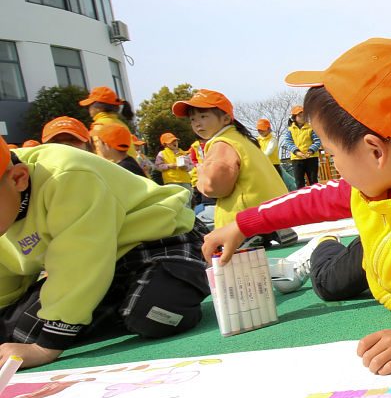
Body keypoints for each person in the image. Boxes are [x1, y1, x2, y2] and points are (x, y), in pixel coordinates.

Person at [202, 38, 391, 375]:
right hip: (381, 249)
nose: (334, 164)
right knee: (328, 285)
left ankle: (326, 245)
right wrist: (242, 224)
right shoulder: (376, 179)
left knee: (329, 284)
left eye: (331, 154)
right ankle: (323, 246)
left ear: (375, 151)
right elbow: (313, 200)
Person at [0, 135, 209, 368]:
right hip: (96, 266)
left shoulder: (65, 174)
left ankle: (180, 284)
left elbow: (80, 261)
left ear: (18, 178)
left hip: (159, 240)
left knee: (153, 314)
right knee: (13, 335)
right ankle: (105, 302)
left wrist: (46, 346)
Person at [172, 90, 293, 246]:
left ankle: (250, 233)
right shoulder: (242, 139)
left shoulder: (222, 144)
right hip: (272, 207)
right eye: (192, 119)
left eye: (203, 116)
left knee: (201, 219)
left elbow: (215, 188)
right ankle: (269, 229)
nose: (197, 123)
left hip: (245, 216)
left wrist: (201, 173)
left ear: (226, 119)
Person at [78, 85, 153, 174]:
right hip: (131, 170)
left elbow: (101, 157)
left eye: (90, 105)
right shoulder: (121, 124)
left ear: (99, 108)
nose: (89, 109)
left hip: (114, 173)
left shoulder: (99, 126)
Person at [280, 105, 322, 188]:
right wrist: (296, 152)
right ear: (294, 117)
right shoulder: (290, 130)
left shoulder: (311, 128)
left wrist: (311, 150)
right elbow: (288, 142)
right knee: (299, 181)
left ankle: (316, 195)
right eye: (299, 116)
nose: (302, 117)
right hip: (297, 159)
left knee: (313, 180)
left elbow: (317, 141)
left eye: (304, 115)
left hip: (311, 157)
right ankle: (302, 195)